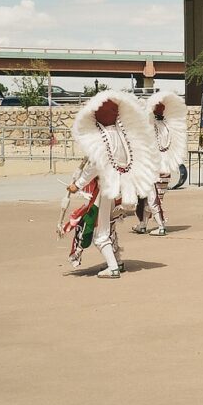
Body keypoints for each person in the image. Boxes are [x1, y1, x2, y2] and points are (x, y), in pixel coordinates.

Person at [67, 91, 158, 278]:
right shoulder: (122, 135)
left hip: (108, 189)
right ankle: (117, 261)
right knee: (111, 226)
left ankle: (113, 267)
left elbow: (95, 166)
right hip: (123, 189)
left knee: (101, 232)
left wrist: (77, 184)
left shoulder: (102, 138)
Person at [132, 91, 187, 237]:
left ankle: (161, 226)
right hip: (165, 167)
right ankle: (143, 224)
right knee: (148, 197)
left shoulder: (152, 125)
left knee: (151, 198)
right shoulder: (167, 127)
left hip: (154, 167)